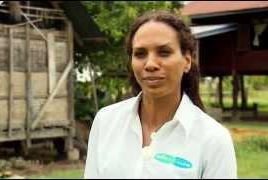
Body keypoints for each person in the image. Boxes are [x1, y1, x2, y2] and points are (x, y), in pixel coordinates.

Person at [84, 10, 237, 179]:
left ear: (187, 61)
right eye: (140, 54)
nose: (150, 64)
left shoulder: (213, 139)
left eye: (164, 52)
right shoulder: (105, 122)